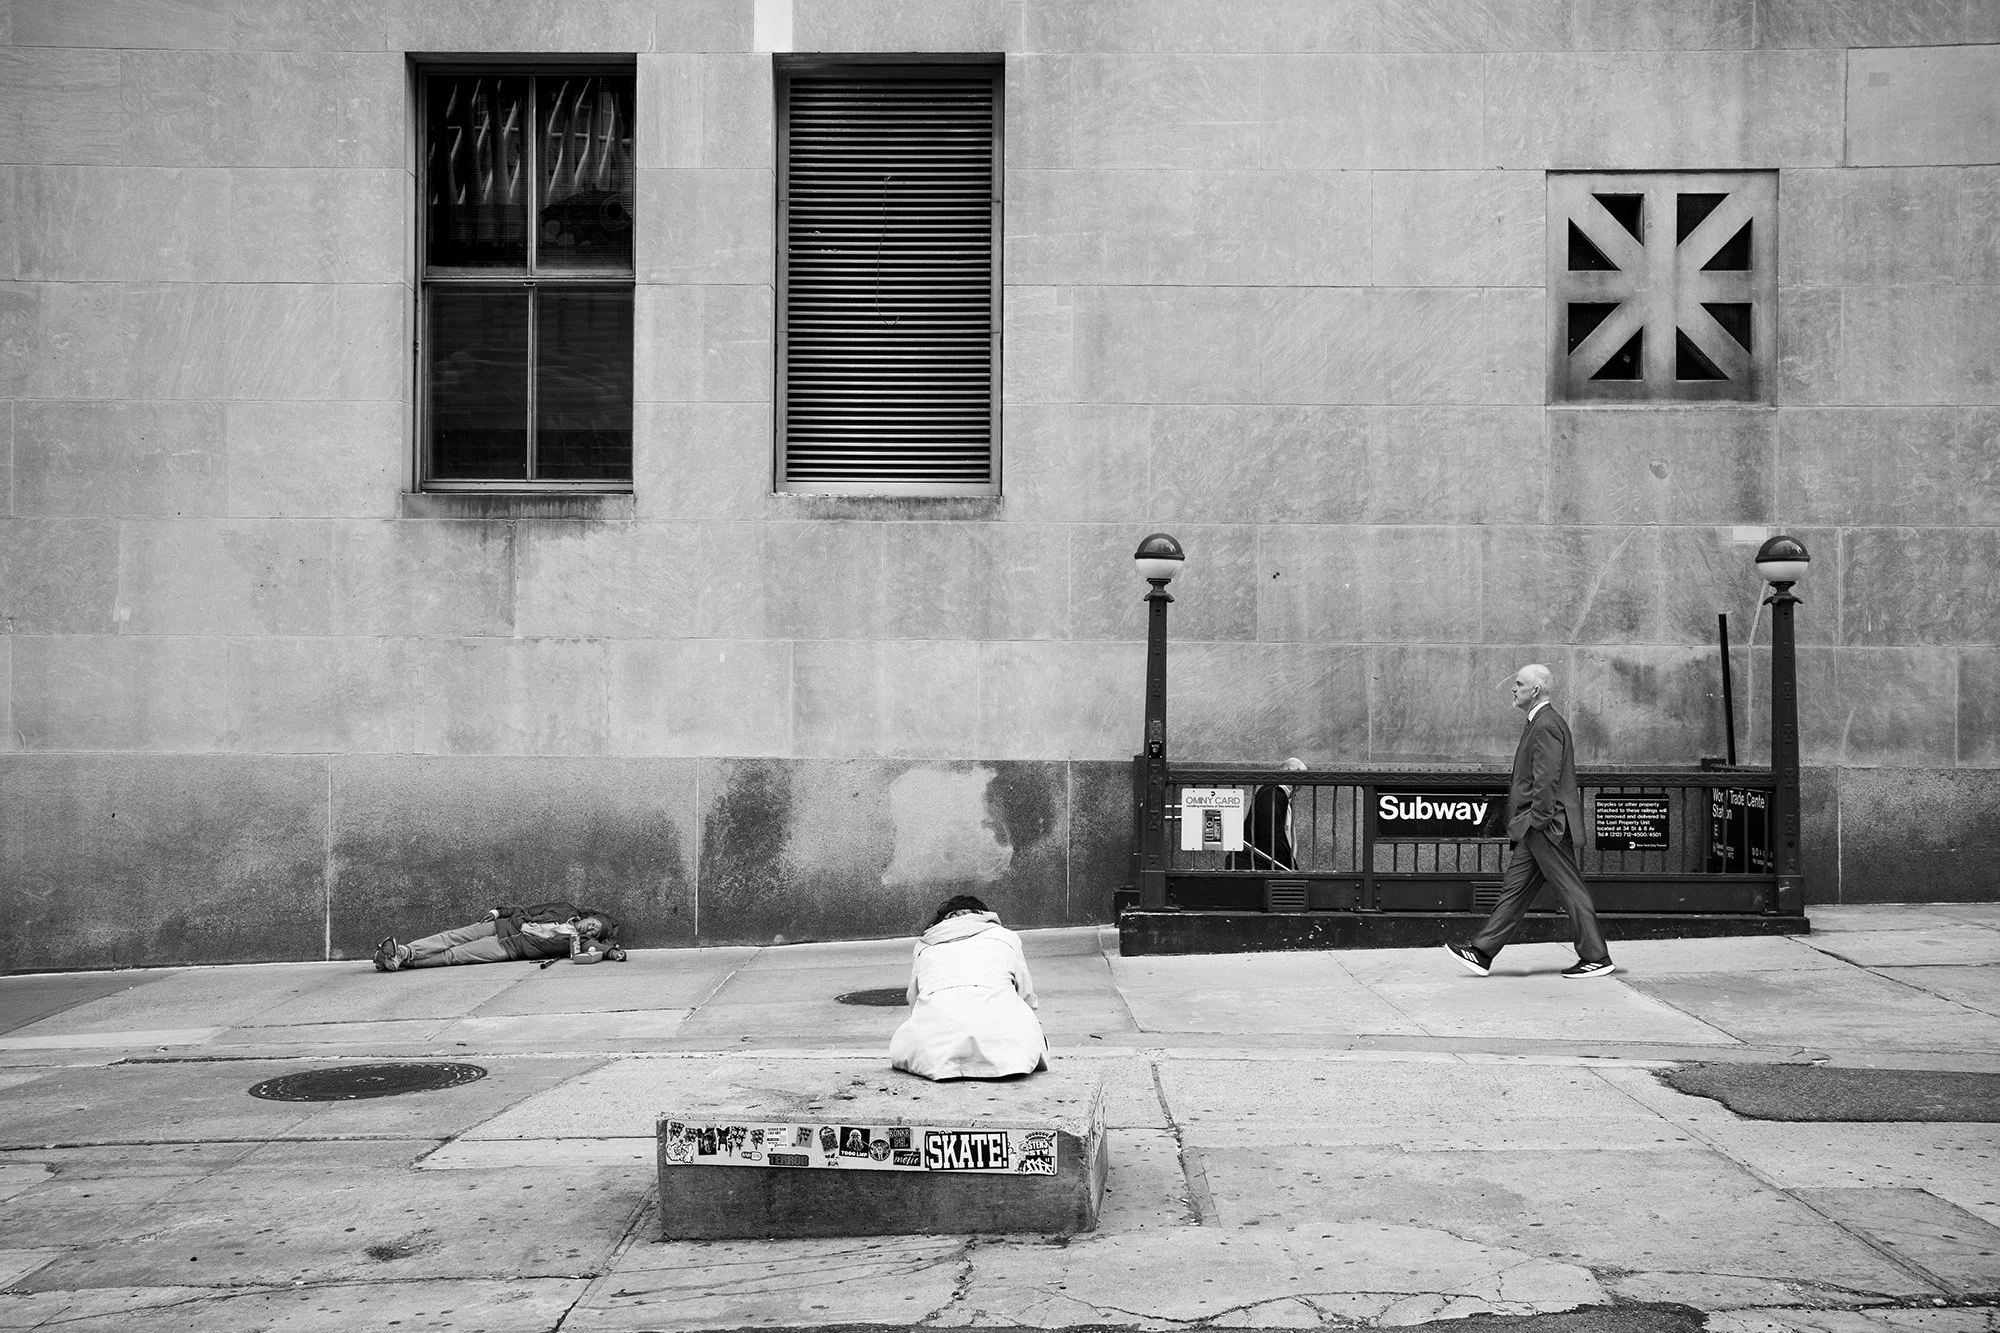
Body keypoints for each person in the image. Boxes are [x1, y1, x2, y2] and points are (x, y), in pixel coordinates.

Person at [1444, 665, 1615, 979]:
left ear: (1535, 690)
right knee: (1515, 890)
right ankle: (1482, 952)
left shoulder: (1546, 724)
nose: (1514, 688)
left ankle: (1596, 956)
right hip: (1537, 825)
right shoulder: (1541, 721)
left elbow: (1546, 779)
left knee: (1569, 889)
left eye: (1519, 684)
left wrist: (1536, 819)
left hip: (1544, 826)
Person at [889, 895, 1048, 1080]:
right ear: (983, 915)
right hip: (1008, 1053)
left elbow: (914, 1002)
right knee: (1028, 1030)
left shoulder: (924, 945)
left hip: (936, 1054)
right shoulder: (1006, 937)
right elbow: (1026, 995)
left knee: (907, 1040)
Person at [373, 902, 625, 971]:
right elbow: (527, 910)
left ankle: (396, 959)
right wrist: (498, 912)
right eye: (592, 924)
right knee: (451, 937)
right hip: (503, 926)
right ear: (586, 917)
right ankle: (404, 952)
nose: (590, 930)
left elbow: (601, 949)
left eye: (595, 932)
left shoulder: (578, 943)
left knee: (454, 956)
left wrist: (614, 952)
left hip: (509, 947)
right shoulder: (563, 908)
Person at [1226, 756, 1307, 871]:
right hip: (1255, 866)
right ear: (1288, 771)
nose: (1303, 784)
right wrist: (1285, 868)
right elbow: (1271, 836)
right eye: (1301, 777)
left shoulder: (1277, 794)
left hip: (1259, 865)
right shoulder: (1272, 794)